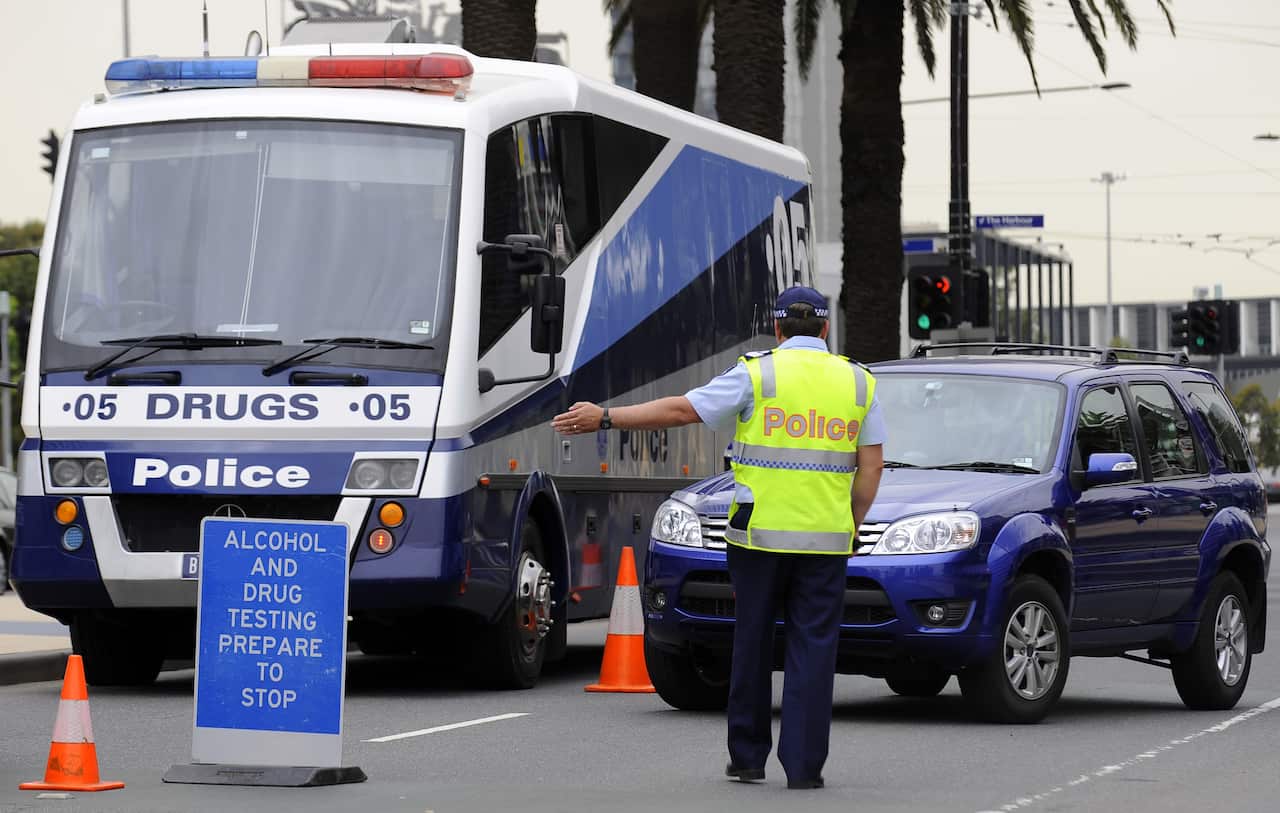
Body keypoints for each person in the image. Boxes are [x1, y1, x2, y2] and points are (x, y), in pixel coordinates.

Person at [552, 285, 885, 789]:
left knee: (751, 643)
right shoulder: (859, 383)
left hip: (756, 542)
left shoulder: (757, 372)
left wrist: (605, 416)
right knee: (814, 651)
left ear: (776, 329)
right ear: (825, 329)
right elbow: (870, 467)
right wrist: (850, 521)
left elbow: (682, 410)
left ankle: (748, 757)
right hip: (825, 543)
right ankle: (804, 769)